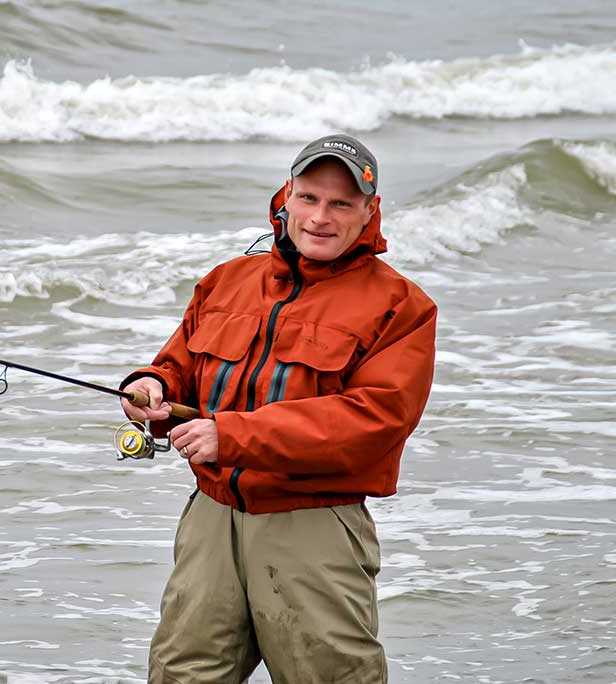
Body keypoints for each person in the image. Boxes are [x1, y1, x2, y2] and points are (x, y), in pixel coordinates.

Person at [120, 133, 437, 683]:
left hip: (313, 524)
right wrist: (150, 384)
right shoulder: (227, 280)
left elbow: (373, 421)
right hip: (211, 519)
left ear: (370, 211)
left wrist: (232, 436)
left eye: (341, 203)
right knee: (182, 674)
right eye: (310, 197)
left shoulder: (401, 307)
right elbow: (176, 366)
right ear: (285, 198)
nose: (321, 217)